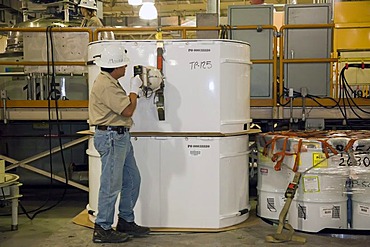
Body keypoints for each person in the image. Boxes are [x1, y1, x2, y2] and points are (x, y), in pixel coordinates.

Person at [89, 44, 150, 243]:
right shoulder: (105, 84)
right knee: (111, 184)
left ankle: (125, 220)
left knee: (132, 178)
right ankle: (102, 227)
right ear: (114, 67)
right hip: (111, 137)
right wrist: (134, 91)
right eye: (123, 65)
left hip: (119, 136)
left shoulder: (110, 81)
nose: (125, 68)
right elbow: (127, 111)